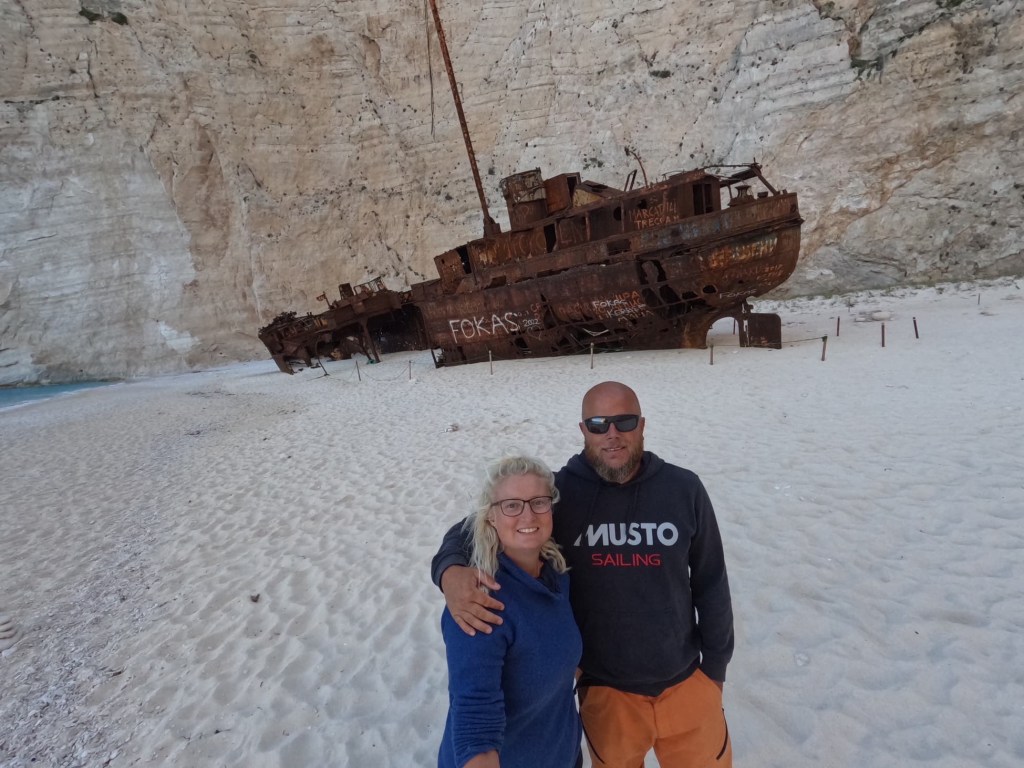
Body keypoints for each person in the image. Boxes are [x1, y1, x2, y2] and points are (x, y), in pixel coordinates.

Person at [432, 382, 734, 768]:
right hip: (606, 691)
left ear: (642, 425)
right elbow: (479, 523)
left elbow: (711, 581)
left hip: (688, 680)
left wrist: (715, 669)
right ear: (583, 430)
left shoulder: (683, 488)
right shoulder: (560, 494)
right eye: (598, 424)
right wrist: (450, 571)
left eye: (625, 422)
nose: (612, 434)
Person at [437, 455, 583, 768]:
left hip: (563, 754)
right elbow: (475, 717)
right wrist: (447, 570)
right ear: (490, 516)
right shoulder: (479, 602)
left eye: (539, 502)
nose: (528, 515)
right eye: (512, 505)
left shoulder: (557, 574)